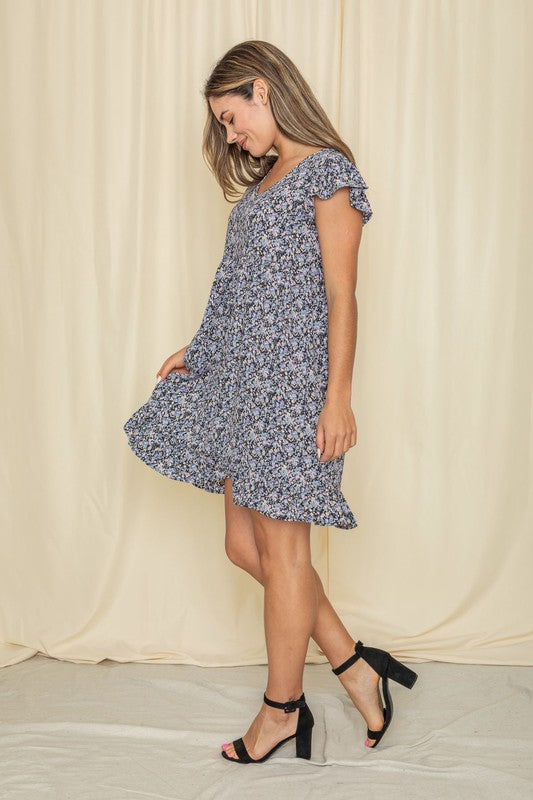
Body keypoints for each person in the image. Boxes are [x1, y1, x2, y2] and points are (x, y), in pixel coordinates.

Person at [123, 40, 418, 764]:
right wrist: (198, 347)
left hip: (291, 390)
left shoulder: (327, 173)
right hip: (238, 384)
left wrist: (337, 400)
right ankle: (354, 664)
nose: (231, 135)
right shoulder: (262, 184)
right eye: (223, 125)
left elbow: (342, 296)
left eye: (231, 117)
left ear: (262, 89)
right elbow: (239, 284)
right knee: (242, 546)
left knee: (284, 554)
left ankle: (281, 712)